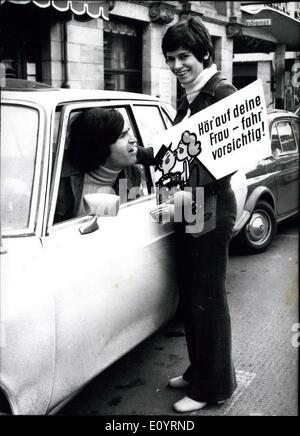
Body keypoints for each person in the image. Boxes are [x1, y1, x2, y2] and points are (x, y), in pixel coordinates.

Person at [161, 17, 238, 412]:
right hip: (191, 205)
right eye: (171, 58)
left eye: (184, 56)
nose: (176, 65)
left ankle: (216, 386)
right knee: (193, 297)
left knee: (208, 297)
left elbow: (230, 159)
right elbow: (176, 149)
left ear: (204, 54)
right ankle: (199, 370)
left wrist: (178, 174)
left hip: (210, 207)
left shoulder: (220, 92)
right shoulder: (192, 93)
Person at [67, 107, 143, 216]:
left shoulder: (133, 174)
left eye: (129, 132)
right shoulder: (62, 181)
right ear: (100, 146)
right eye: (122, 136)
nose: (133, 139)